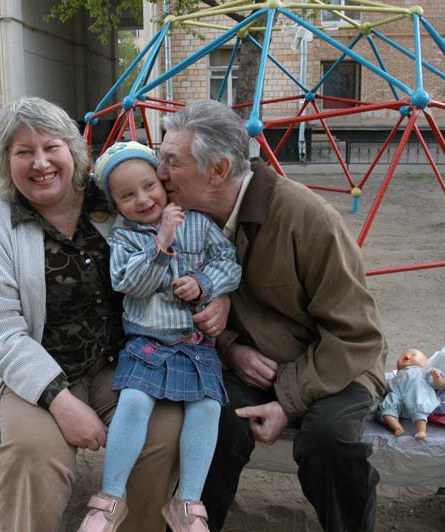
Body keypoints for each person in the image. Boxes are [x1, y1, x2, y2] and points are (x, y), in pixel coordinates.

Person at [0, 97, 228, 532]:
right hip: (37, 372)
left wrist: (217, 294)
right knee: (32, 451)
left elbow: (194, 244)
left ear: (73, 150)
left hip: (123, 363)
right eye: (23, 151)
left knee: (163, 435)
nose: (40, 163)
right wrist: (60, 400)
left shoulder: (113, 199)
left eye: (51, 147)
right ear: (5, 161)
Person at [156, 100, 389, 532]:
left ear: (218, 170)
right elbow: (168, 309)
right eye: (160, 158)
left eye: (172, 162)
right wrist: (230, 348)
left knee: (329, 442)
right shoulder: (185, 221)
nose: (160, 173)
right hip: (250, 365)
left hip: (335, 363)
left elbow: (356, 335)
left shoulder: (308, 219)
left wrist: (287, 401)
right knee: (211, 426)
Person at [77, 141, 241, 532]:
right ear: (115, 205)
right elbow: (128, 284)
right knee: (133, 402)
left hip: (195, 346)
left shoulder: (198, 222)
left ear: (162, 182)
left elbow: (229, 264)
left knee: (207, 409)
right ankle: (110, 500)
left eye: (149, 186)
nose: (143, 199)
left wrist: (204, 284)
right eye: (127, 196)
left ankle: (188, 503)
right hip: (146, 344)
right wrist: (161, 242)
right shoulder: (123, 239)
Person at [379, 348, 445, 440]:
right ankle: (396, 427)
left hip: (417, 402)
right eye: (402, 356)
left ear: (425, 363)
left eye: (414, 355)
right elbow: (383, 387)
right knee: (390, 399)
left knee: (417, 393)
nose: (407, 356)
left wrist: (437, 378)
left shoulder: (424, 371)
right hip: (400, 405)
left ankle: (421, 430)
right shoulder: (393, 378)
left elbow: (439, 385)